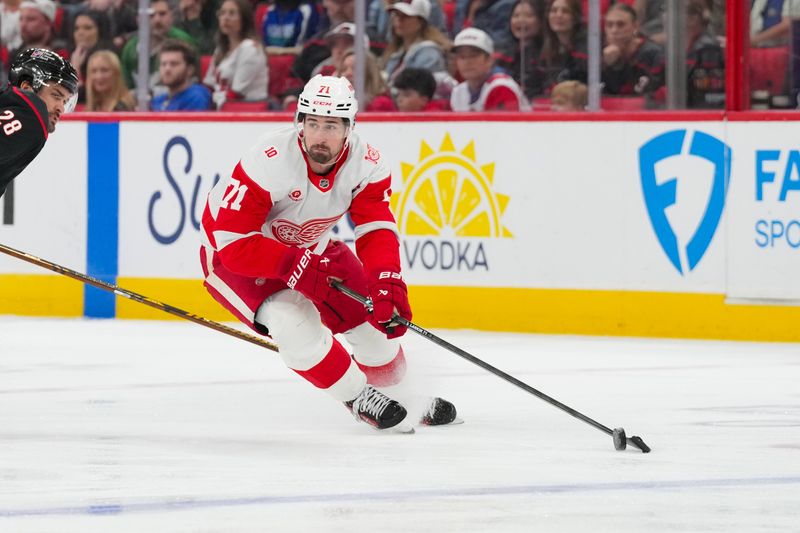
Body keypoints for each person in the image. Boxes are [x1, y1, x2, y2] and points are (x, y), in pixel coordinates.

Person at [199, 75, 457, 432]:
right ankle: (358, 397)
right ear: (299, 123)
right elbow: (234, 242)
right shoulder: (267, 160)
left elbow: (376, 227)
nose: (320, 136)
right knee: (294, 322)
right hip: (238, 257)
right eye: (313, 123)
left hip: (309, 247)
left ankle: (404, 396)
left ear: (349, 127)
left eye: (332, 125)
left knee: (372, 326)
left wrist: (386, 278)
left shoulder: (367, 165)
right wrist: (291, 264)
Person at [1, 48, 78, 198]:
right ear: (26, 88)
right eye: (56, 96)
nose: (61, 108)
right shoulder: (32, 116)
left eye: (65, 101)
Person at [120, 0, 197, 91]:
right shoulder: (130, 48)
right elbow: (125, 86)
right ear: (139, 20)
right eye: (151, 15)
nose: (157, 20)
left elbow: (194, 81)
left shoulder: (183, 41)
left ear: (171, 17)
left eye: (162, 14)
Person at [203, 0, 268, 108]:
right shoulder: (221, 48)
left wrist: (210, 105)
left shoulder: (250, 48)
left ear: (244, 19)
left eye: (232, 13)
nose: (226, 18)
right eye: (222, 13)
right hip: (221, 105)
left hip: (246, 108)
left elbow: (236, 93)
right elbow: (209, 85)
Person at [450, 27, 529, 111]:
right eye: (462, 57)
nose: (467, 62)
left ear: (490, 60)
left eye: (473, 55)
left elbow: (501, 123)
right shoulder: (458, 91)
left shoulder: (501, 87)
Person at [381, 0, 452, 87]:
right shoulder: (396, 51)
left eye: (406, 16)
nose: (399, 20)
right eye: (396, 14)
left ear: (421, 22)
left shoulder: (429, 53)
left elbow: (417, 88)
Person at [601, 3, 663, 97]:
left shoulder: (654, 55)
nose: (614, 31)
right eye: (609, 25)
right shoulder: (599, 54)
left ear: (635, 27)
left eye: (621, 25)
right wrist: (611, 66)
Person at [496, 0, 546, 99]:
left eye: (529, 15)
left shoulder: (547, 54)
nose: (521, 20)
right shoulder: (502, 53)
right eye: (516, 15)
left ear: (541, 20)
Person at [151, 39, 211, 111]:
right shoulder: (159, 100)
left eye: (174, 64)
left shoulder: (196, 97)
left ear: (190, 70)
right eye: (163, 64)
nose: (167, 69)